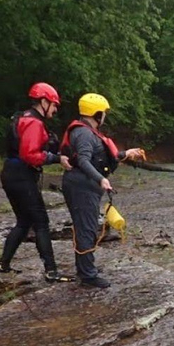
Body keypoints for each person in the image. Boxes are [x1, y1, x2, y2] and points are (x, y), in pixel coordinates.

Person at [60, 93, 144, 288]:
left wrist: (126, 154)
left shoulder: (87, 132)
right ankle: (88, 276)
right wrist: (101, 179)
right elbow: (83, 160)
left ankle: (86, 269)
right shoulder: (84, 134)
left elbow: (102, 157)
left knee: (86, 227)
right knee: (86, 228)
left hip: (85, 185)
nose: (105, 116)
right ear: (96, 114)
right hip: (82, 186)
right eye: (103, 113)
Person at [0, 82, 72, 281]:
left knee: (24, 221)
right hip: (21, 175)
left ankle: (3, 264)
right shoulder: (34, 123)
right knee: (41, 222)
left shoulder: (23, 117)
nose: (55, 110)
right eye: (54, 105)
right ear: (44, 102)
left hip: (11, 173)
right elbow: (30, 155)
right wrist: (56, 159)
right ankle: (51, 271)